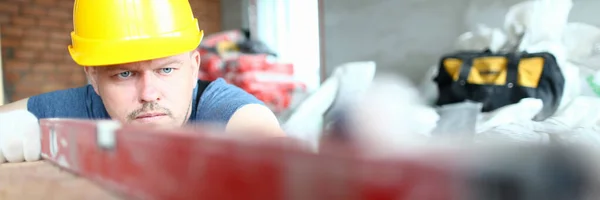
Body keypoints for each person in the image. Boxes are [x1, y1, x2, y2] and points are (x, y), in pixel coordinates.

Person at [0, 0, 284, 137]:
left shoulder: (222, 109)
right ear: (93, 79)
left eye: (166, 70)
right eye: (125, 74)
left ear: (194, 66)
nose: (149, 94)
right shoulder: (85, 107)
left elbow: (264, 139)